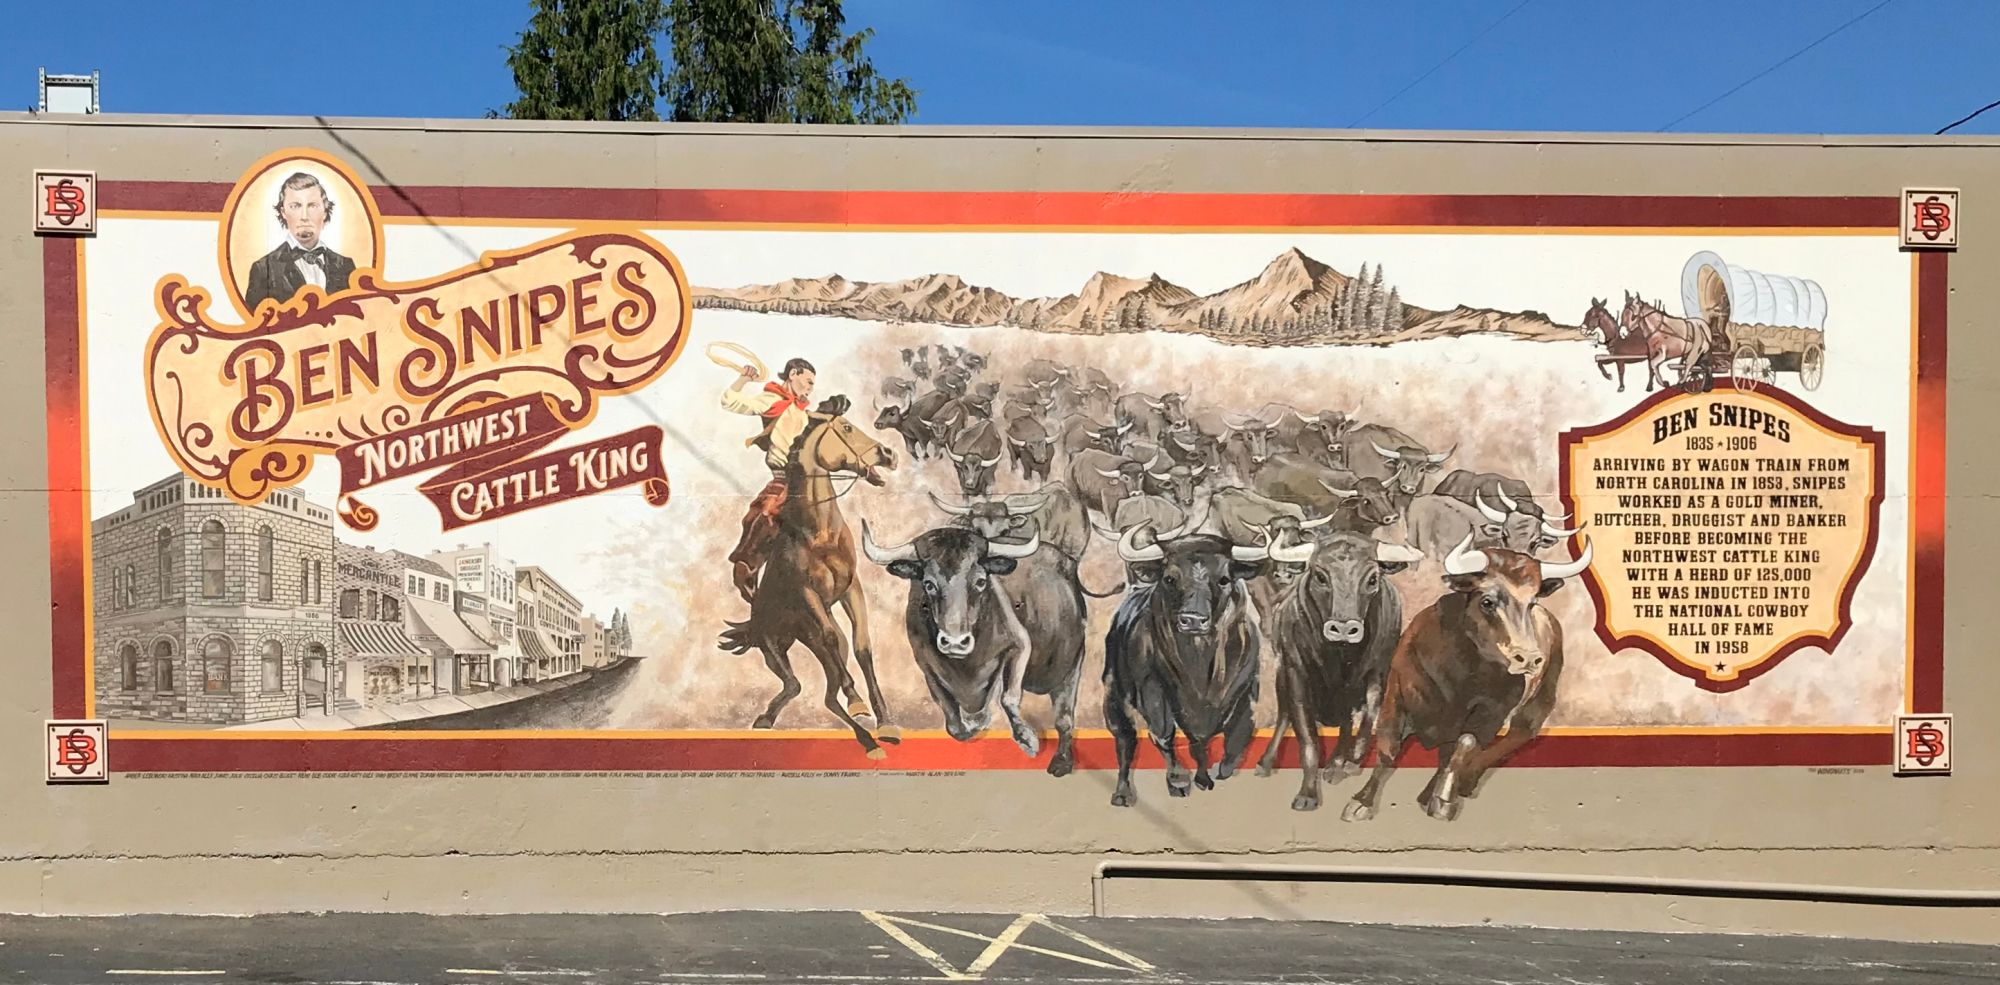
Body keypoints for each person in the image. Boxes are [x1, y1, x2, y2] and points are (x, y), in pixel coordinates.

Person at [722, 357, 818, 603]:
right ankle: (747, 567)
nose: (810, 388)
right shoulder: (772, 400)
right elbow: (730, 401)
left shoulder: (802, 410)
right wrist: (744, 378)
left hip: (806, 478)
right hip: (782, 476)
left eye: (812, 384)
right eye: (808, 381)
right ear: (793, 374)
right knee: (762, 515)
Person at [243, 172, 356, 312]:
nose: (304, 216)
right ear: (283, 212)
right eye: (295, 206)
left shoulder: (346, 266)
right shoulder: (263, 269)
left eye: (312, 205)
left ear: (325, 211)